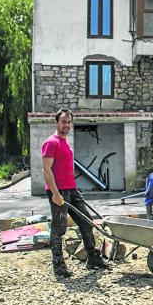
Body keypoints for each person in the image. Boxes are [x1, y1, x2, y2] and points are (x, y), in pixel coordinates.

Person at [42, 108, 108, 278]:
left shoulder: (66, 143)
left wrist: (74, 188)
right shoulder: (51, 142)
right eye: (63, 121)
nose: (67, 125)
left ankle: (93, 257)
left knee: (87, 221)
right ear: (57, 123)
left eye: (69, 122)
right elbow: (46, 171)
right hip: (58, 191)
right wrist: (56, 194)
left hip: (71, 189)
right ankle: (59, 266)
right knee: (59, 228)